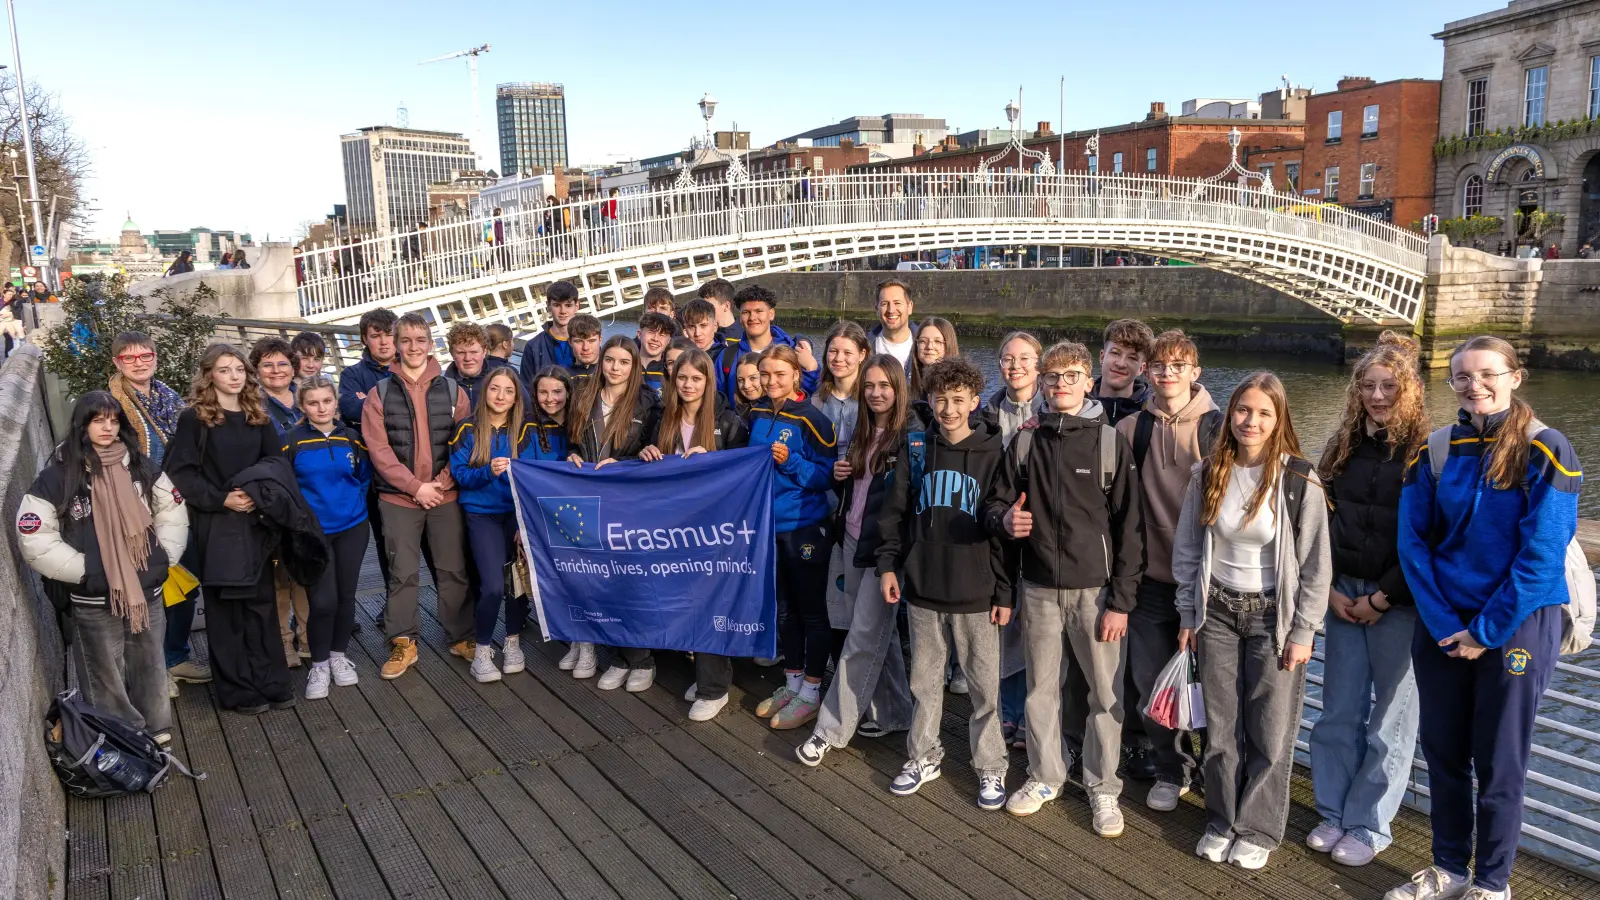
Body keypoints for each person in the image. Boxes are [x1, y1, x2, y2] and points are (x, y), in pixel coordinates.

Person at [1391, 336, 1580, 900]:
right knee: (1444, 751)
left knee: (1499, 763)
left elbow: (1543, 553)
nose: (1475, 385)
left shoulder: (1547, 448)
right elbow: (1413, 543)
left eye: (1488, 373)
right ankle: (1450, 867)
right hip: (1445, 623)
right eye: (1462, 377)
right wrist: (1447, 621)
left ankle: (1493, 884)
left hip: (1516, 624)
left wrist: (1485, 631)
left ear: (1515, 377)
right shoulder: (1436, 450)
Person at [1173, 371, 1331, 870]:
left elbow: (1315, 566)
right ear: (1230, 413)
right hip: (1216, 611)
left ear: (1279, 418)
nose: (1252, 421)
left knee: (1270, 728)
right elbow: (1188, 549)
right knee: (1220, 727)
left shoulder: (1298, 479)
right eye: (1244, 410)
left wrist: (1304, 630)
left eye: (1264, 413)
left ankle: (1258, 827)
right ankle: (1222, 819)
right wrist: (1188, 612)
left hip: (1272, 618)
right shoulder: (1210, 471)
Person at [988, 340, 1144, 835]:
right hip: (1036, 585)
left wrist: (1121, 600)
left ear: (1088, 380)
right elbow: (994, 506)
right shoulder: (1026, 440)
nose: (1061, 385)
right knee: (1040, 689)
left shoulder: (1109, 443)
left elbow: (1130, 529)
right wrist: (1005, 518)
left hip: (1093, 591)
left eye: (1071, 376)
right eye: (1053, 377)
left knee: (1104, 694)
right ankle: (1044, 775)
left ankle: (1103, 788)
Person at [863, 357, 1011, 810]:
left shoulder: (993, 453)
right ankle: (923, 755)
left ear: (974, 402)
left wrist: (1004, 591)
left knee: (985, 686)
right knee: (924, 681)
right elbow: (894, 515)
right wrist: (888, 566)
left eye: (958, 400)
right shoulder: (916, 449)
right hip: (924, 589)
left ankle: (991, 765)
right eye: (940, 399)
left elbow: (1000, 524)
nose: (948, 409)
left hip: (975, 592)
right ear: (929, 399)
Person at [1307, 332, 1428, 867]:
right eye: (1369, 386)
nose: (1378, 395)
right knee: (1338, 710)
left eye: (1389, 386)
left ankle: (1369, 824)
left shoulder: (1426, 451)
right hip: (1343, 593)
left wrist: (1383, 596)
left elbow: (1431, 538)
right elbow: (1320, 522)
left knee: (1391, 720)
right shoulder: (1343, 446)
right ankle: (1333, 810)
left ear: (1409, 392)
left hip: (1398, 601)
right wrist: (1329, 587)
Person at [17, 392, 188, 741]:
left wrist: (161, 559)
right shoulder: (57, 477)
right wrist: (87, 571)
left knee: (150, 662)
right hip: (93, 594)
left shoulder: (141, 467)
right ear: (83, 426)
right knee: (102, 671)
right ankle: (120, 734)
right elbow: (35, 536)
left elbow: (172, 512)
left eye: (114, 420)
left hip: (145, 587)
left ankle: (156, 729)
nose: (107, 427)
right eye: (99, 420)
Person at [1112, 329, 1221, 811]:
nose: (1167, 374)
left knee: (1215, 687)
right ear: (1146, 372)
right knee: (1153, 685)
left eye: (1178, 366)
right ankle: (1170, 768)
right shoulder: (1131, 429)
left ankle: (1216, 776)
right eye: (1159, 366)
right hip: (1151, 580)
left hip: (1210, 584)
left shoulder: (1217, 428)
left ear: (1195, 373)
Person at [795, 353, 917, 763]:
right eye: (870, 386)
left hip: (884, 553)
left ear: (898, 389)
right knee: (876, 634)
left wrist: (891, 559)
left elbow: (904, 506)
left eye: (885, 386)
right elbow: (853, 487)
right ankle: (898, 711)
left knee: (861, 638)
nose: (877, 393)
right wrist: (838, 475)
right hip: (850, 538)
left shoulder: (910, 438)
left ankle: (828, 730)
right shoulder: (863, 430)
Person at [165, 344, 296, 714]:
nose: (234, 376)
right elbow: (181, 474)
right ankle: (239, 690)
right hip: (218, 523)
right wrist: (222, 499)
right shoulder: (195, 418)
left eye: (239, 368)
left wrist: (256, 494)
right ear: (210, 376)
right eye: (225, 370)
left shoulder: (258, 414)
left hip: (256, 520)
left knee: (261, 603)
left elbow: (275, 462)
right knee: (226, 609)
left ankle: (273, 682)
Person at [638, 348, 749, 719]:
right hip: (672, 529)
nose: (687, 385)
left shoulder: (729, 421)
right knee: (684, 599)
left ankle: (715, 688)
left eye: (696, 378)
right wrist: (646, 452)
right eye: (681, 377)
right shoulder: (662, 417)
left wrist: (714, 460)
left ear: (708, 381)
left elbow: (744, 472)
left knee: (710, 602)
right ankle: (704, 673)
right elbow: (650, 463)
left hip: (713, 530)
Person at [362, 313, 474, 680]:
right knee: (402, 572)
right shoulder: (379, 394)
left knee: (452, 568)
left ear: (430, 343)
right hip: (399, 499)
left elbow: (464, 445)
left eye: (420, 340)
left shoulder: (455, 391)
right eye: (405, 340)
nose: (413, 347)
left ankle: (460, 635)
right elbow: (379, 452)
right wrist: (415, 487)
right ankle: (403, 641)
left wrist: (438, 485)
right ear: (396, 344)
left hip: (445, 495)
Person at [104, 332, 208, 694]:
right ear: (117, 363)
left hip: (178, 505)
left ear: (155, 358)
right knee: (151, 593)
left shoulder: (167, 397)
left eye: (145, 355)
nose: (139, 362)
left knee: (187, 584)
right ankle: (154, 671)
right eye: (129, 358)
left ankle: (176, 658)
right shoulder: (112, 405)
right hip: (138, 510)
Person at [746, 344, 837, 729]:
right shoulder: (757, 412)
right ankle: (792, 681)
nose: (771, 382)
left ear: (796, 375)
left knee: (812, 611)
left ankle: (812, 692)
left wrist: (794, 462)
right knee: (784, 609)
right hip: (769, 526)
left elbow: (828, 477)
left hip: (804, 526)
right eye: (765, 374)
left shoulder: (814, 419)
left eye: (779, 374)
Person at [565, 336, 662, 686]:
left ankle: (641, 660)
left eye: (623, 362)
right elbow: (573, 441)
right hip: (588, 497)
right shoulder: (584, 396)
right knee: (595, 578)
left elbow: (652, 452)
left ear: (634, 365)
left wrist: (625, 461)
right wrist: (572, 453)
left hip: (626, 501)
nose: (615, 368)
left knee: (629, 581)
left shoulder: (647, 403)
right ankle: (617, 655)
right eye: (610, 360)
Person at [282, 376, 371, 700]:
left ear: (336, 402)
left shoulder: (352, 437)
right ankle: (319, 664)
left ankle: (337, 656)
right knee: (322, 601)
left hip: (352, 527)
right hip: (312, 534)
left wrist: (353, 506)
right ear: (302, 406)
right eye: (313, 403)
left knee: (346, 596)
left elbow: (362, 477)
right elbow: (286, 487)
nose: (321, 408)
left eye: (326, 401)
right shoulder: (291, 441)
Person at [450, 368, 537, 683]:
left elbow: (540, 471)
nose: (501, 397)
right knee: (493, 586)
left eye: (509, 391)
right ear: (484, 392)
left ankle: (512, 641)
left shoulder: (526, 430)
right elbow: (460, 476)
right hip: (481, 514)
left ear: (517, 397)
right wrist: (488, 471)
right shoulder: (467, 430)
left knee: (516, 583)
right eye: (495, 389)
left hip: (515, 515)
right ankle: (483, 650)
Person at [982, 331, 1045, 751]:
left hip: (1041, 534)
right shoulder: (987, 412)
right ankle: (1007, 710)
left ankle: (1032, 716)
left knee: (1036, 629)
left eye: (1024, 358)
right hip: (997, 528)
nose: (1015, 365)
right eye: (1008, 358)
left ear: (1039, 365)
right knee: (1003, 625)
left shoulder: (1053, 409)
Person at [249, 337, 309, 668]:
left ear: (293, 367)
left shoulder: (307, 399)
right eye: (267, 364)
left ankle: (309, 637)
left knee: (305, 570)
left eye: (283, 363)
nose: (276, 370)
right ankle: (283, 643)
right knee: (278, 577)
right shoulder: (252, 406)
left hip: (309, 498)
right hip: (272, 500)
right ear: (257, 370)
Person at [338, 309, 399, 597]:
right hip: (375, 472)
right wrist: (395, 405)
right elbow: (349, 408)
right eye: (376, 336)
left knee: (430, 541)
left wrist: (370, 402)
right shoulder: (352, 374)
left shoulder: (412, 367)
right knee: (385, 539)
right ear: (365, 339)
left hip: (416, 466)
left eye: (389, 334)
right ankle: (391, 601)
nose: (384, 342)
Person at [715, 284, 819, 403]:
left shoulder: (793, 352)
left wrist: (812, 369)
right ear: (739, 317)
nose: (752, 317)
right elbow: (718, 400)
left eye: (758, 311)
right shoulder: (727, 356)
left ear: (771, 314)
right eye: (746, 312)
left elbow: (807, 397)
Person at [815, 321, 869, 458]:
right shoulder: (816, 402)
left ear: (862, 355)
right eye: (833, 351)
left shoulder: (871, 399)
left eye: (847, 353)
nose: (839, 358)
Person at [1091, 318, 1154, 427]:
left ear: (1141, 368)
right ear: (1102, 357)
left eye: (1132, 358)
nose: (1121, 364)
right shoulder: (1076, 406)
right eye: (1115, 353)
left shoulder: (1151, 416)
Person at [519, 281, 581, 384]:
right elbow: (526, 388)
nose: (563, 311)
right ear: (548, 306)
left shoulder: (588, 344)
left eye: (568, 305)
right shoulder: (533, 346)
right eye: (557, 305)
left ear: (577, 306)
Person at [444, 321, 515, 408]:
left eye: (474, 352)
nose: (468, 358)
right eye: (461, 353)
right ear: (452, 353)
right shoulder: (441, 388)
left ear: (484, 351)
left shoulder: (504, 379)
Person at [867, 279, 918, 377]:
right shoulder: (863, 347)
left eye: (897, 303)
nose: (891, 310)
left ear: (910, 307)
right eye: (884, 304)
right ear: (876, 309)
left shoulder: (928, 346)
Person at [636, 311, 678, 393]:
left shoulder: (670, 371)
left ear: (669, 341)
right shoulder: (626, 365)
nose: (655, 339)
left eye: (662, 335)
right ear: (639, 334)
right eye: (651, 332)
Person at [697, 278, 742, 347]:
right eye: (702, 307)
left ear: (726, 306)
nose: (703, 311)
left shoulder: (747, 335)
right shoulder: (702, 338)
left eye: (709, 307)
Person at [732, 352, 764, 417]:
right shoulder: (735, 416)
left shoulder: (779, 413)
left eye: (753, 378)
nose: (746, 385)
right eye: (741, 380)